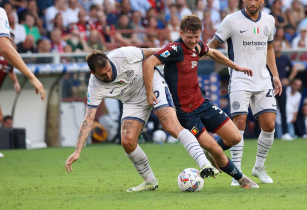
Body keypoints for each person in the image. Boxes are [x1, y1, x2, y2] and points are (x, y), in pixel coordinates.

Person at [64, 47, 219, 192]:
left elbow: (154, 52)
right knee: (127, 141)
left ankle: (204, 164)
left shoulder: (123, 55)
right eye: (103, 75)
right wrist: (77, 152)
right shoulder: (94, 86)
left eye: (109, 70)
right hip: (133, 101)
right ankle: (150, 182)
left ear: (109, 61)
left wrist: (180, 57)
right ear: (93, 72)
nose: (109, 76)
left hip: (152, 83)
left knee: (170, 125)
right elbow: (88, 120)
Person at [143, 15, 259, 189]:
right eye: (189, 37)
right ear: (181, 33)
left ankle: (211, 153)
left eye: (196, 37)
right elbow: (149, 62)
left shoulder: (197, 46)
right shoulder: (175, 49)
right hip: (186, 114)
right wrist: (149, 92)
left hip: (202, 104)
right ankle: (242, 179)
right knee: (217, 149)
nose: (192, 41)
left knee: (235, 137)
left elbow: (212, 52)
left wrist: (237, 67)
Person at [207, 0, 282, 186]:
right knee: (238, 124)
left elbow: (269, 49)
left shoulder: (269, 20)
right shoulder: (231, 21)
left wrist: (275, 75)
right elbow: (211, 47)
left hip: (263, 79)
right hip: (240, 80)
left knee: (269, 125)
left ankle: (258, 167)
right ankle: (237, 173)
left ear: (263, 0)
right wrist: (227, 64)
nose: (253, 2)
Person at [0, 7, 45, 158]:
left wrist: (16, 82)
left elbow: (10, 69)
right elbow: (5, 48)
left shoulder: (7, 64)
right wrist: (31, 77)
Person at [274, 40, 298, 140]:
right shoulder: (268, 58)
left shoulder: (284, 59)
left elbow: (295, 69)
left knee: (283, 112)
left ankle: (285, 133)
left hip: (282, 89)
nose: (277, 47)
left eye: (278, 45)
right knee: (266, 112)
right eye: (275, 46)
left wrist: (288, 80)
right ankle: (263, 134)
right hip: (269, 88)